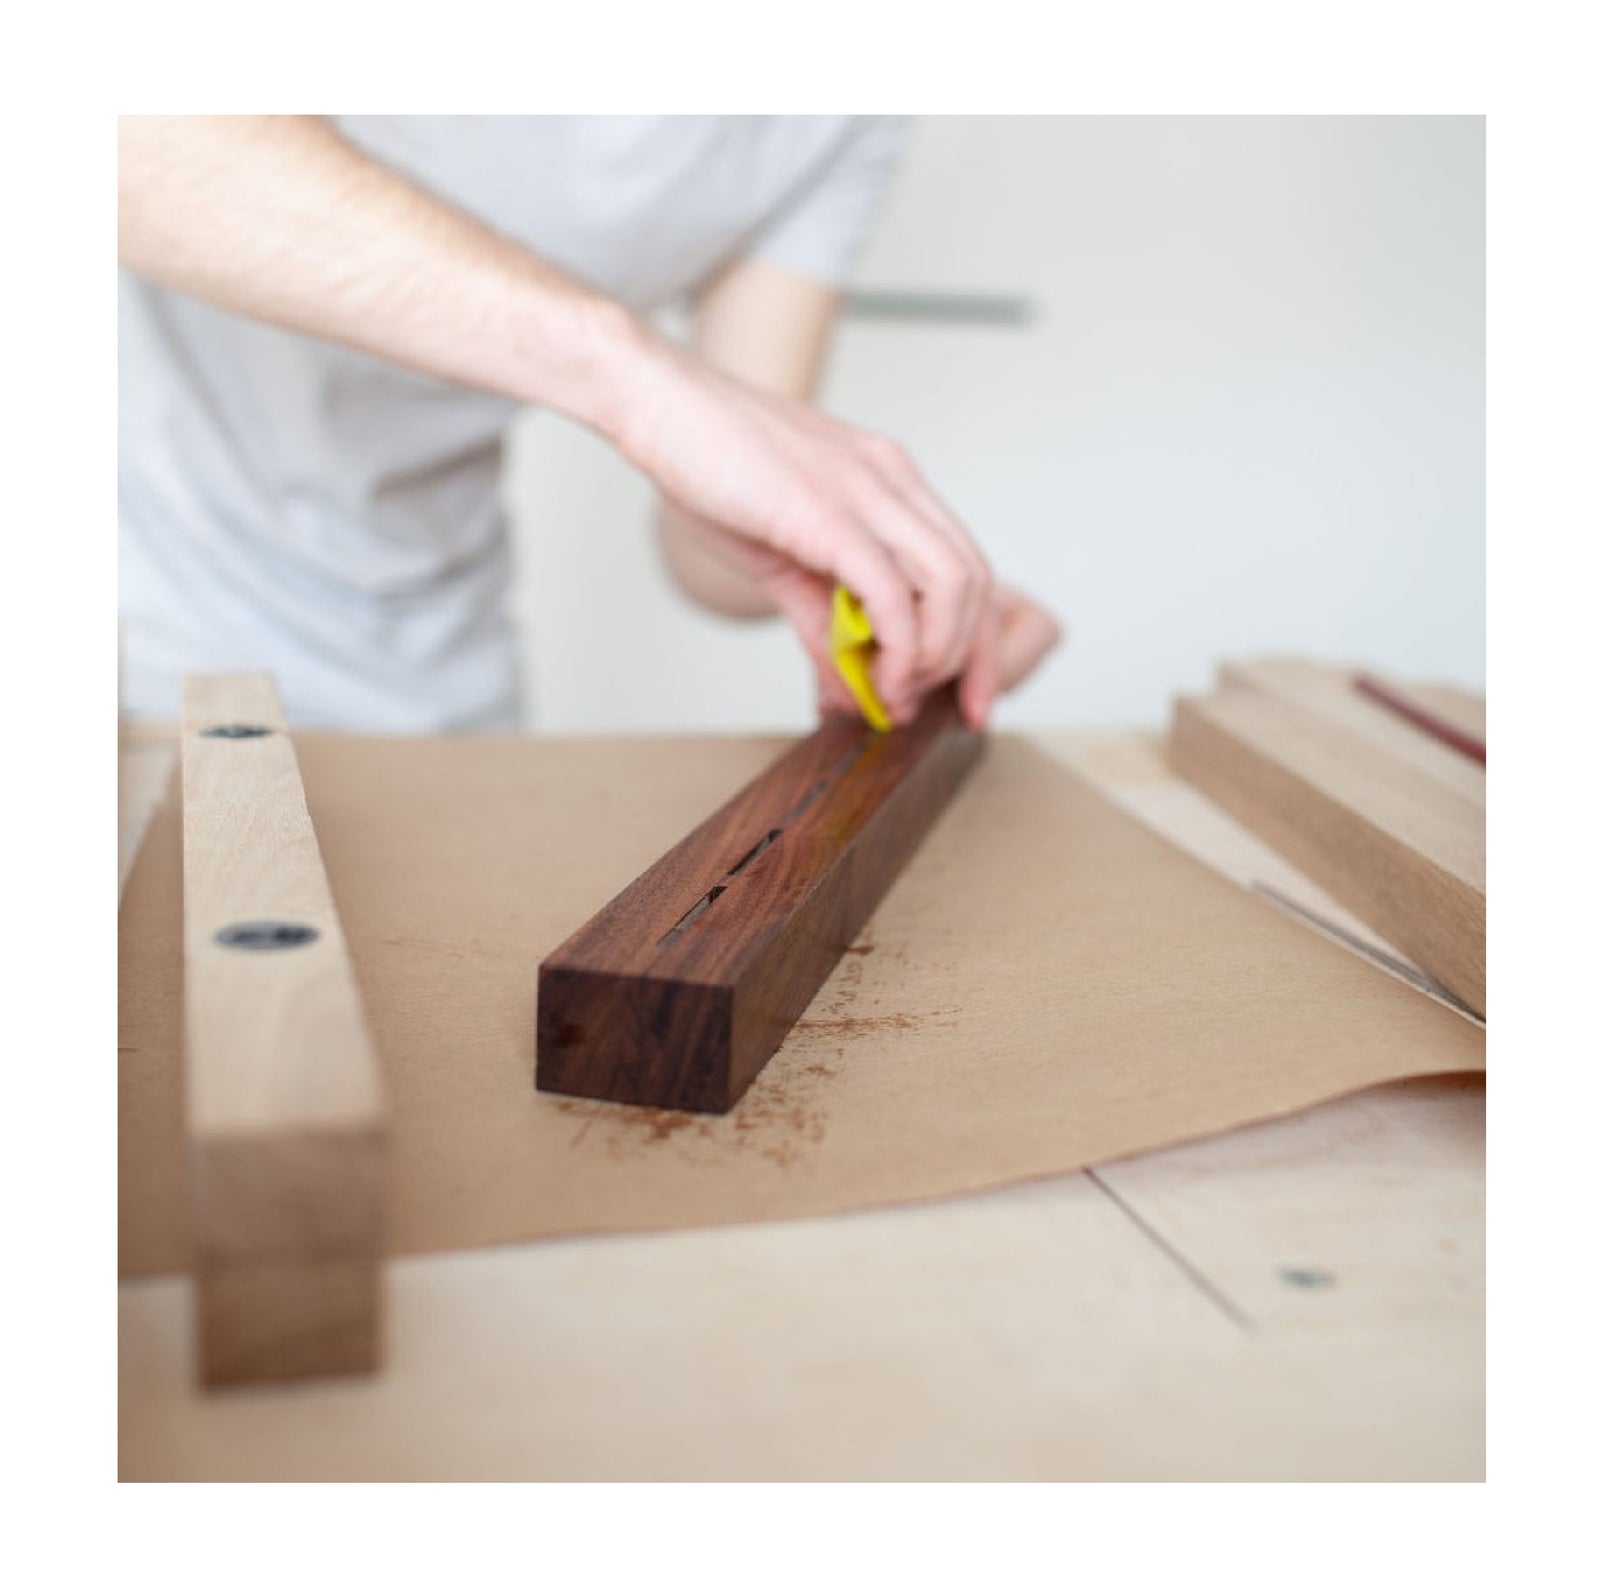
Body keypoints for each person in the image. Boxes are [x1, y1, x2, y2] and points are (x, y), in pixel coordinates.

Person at [118, 115, 1061, 732]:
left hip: (445, 680)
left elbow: (711, 551)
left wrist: (889, 581)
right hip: (143, 641)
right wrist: (637, 376)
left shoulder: (838, 116)